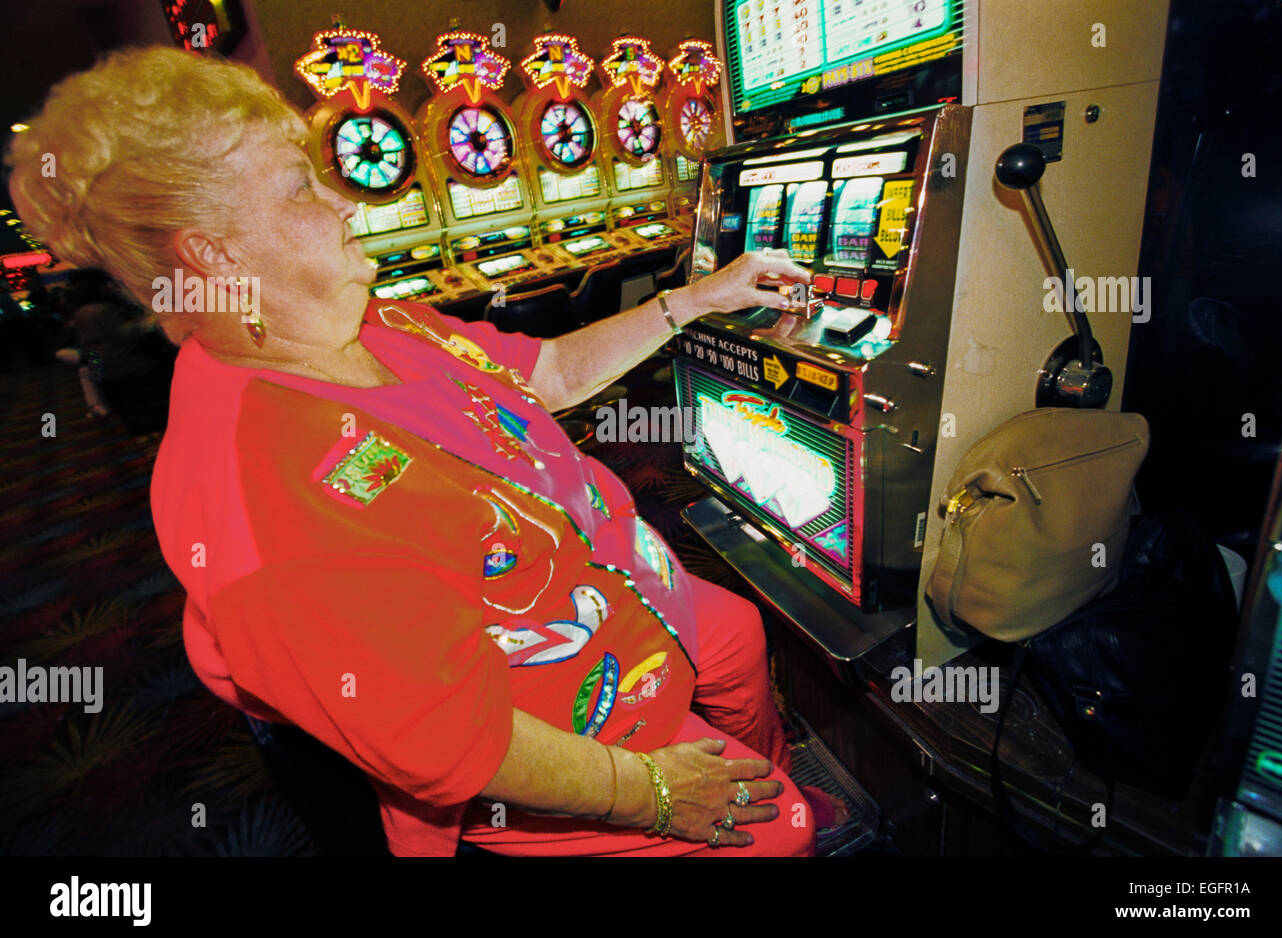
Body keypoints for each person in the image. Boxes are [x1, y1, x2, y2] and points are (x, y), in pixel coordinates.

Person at [7, 47, 834, 856]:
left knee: (740, 635)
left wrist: (696, 299)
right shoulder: (257, 490)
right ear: (214, 253)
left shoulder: (381, 322)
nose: (344, 202)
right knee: (784, 829)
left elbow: (546, 372)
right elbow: (444, 744)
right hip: (558, 713)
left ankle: (765, 767)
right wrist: (653, 794)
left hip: (613, 585)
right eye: (301, 187)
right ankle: (765, 798)